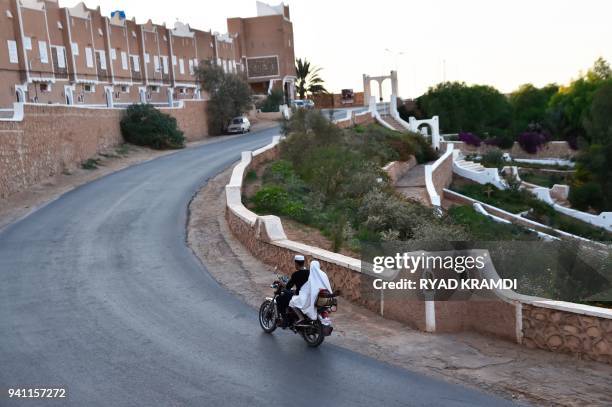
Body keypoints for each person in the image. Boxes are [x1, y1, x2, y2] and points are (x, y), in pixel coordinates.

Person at [289, 260, 332, 325]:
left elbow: (307, 289)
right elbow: (327, 285)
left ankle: (301, 318)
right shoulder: (323, 274)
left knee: (292, 302)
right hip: (324, 297)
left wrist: (300, 292)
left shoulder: (311, 277)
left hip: (314, 298)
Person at [277, 254, 309, 327]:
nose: (295, 265)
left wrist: (281, 283)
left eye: (295, 263)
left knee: (280, 299)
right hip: (307, 295)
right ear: (303, 263)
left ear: (296, 263)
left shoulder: (296, 274)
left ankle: (285, 321)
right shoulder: (309, 272)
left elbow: (288, 287)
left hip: (299, 295)